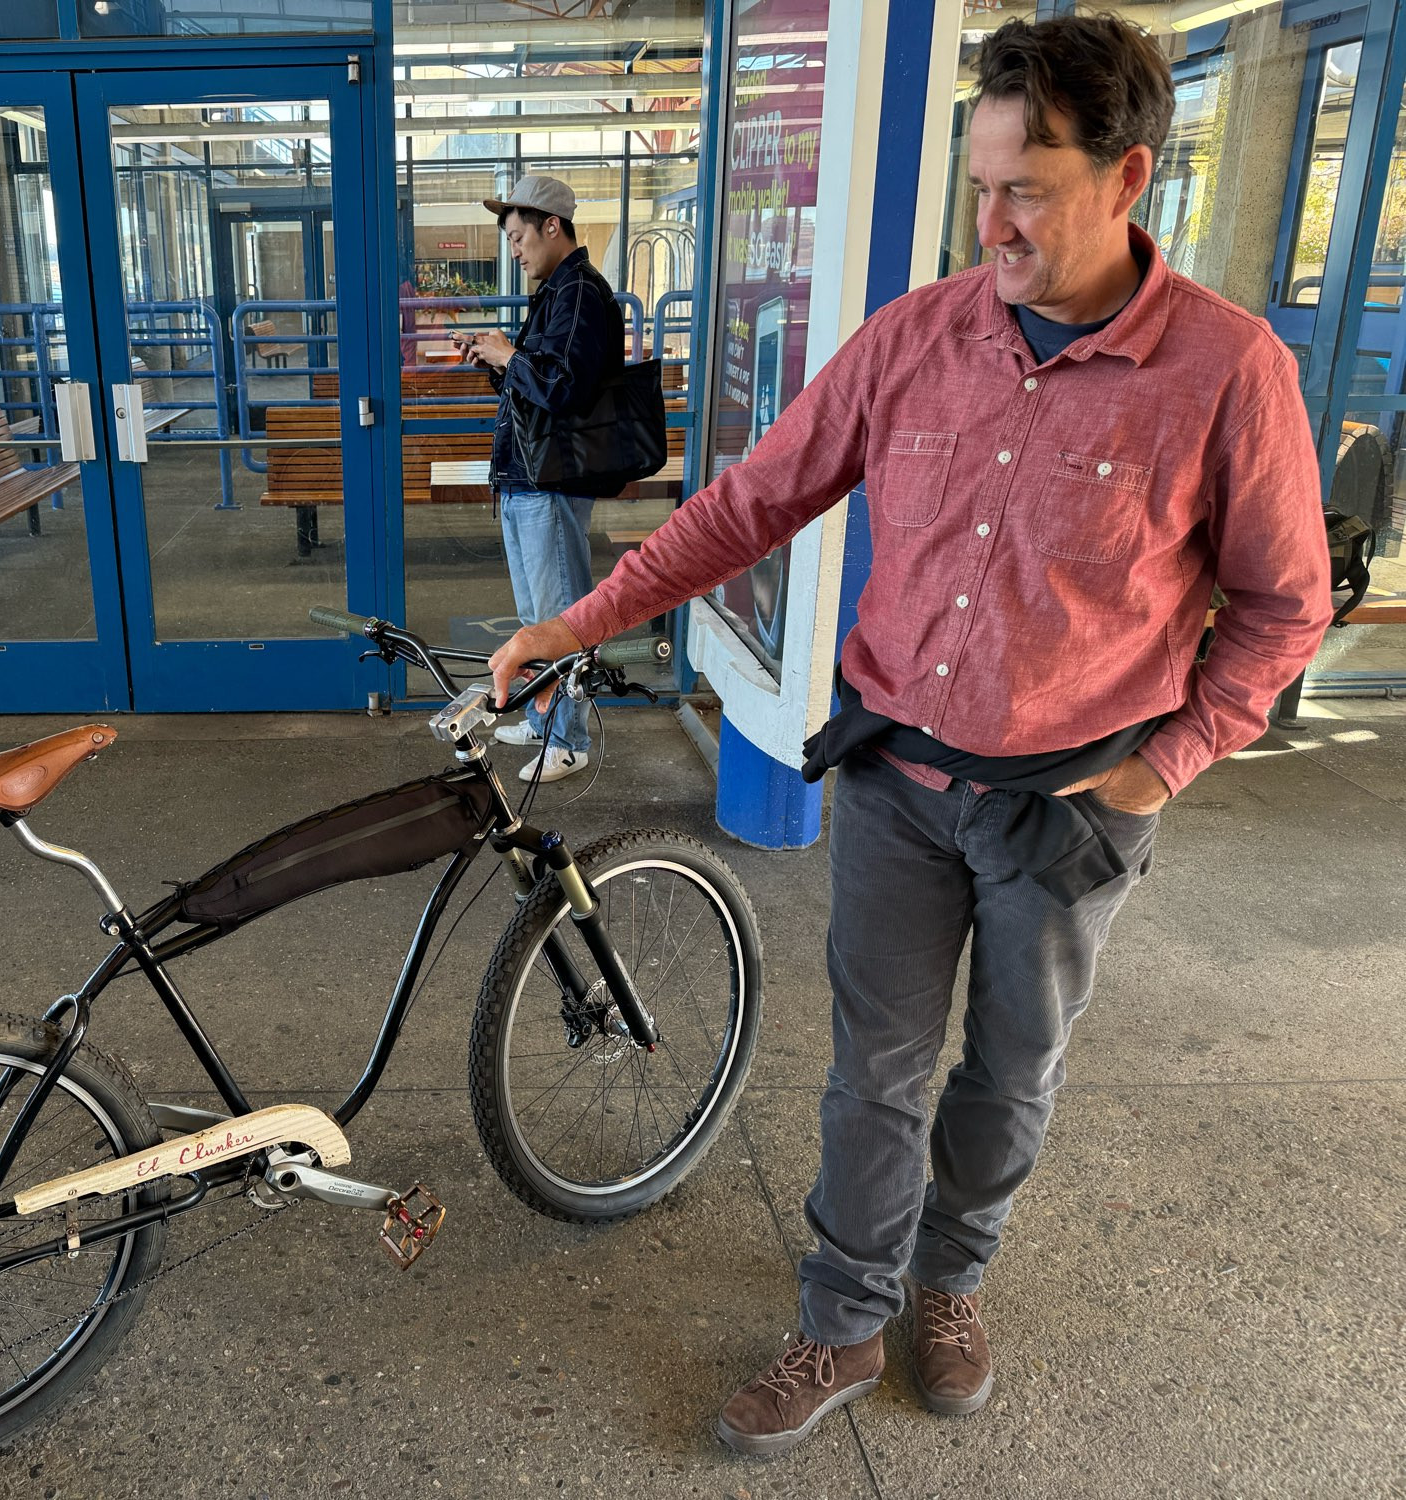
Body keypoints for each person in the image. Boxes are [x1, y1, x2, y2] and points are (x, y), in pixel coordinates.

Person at [489, 13, 1332, 1458]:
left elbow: (1279, 606)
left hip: (1070, 805)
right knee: (869, 1071)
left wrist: (1155, 771)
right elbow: (749, 502)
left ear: (1127, 178)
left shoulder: (1225, 372)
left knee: (1007, 1072)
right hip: (891, 778)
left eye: (1025, 188)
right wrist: (572, 623)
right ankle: (838, 1317)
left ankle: (949, 1282)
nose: (989, 223)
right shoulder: (913, 341)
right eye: (977, 185)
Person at [456, 175, 624, 784]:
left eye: (519, 236)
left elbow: (565, 389)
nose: (515, 250)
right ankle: (547, 719)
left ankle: (570, 739)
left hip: (549, 481)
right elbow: (539, 389)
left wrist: (510, 356)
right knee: (536, 618)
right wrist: (496, 364)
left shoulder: (578, 292)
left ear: (552, 226)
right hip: (531, 478)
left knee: (558, 616)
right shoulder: (559, 292)